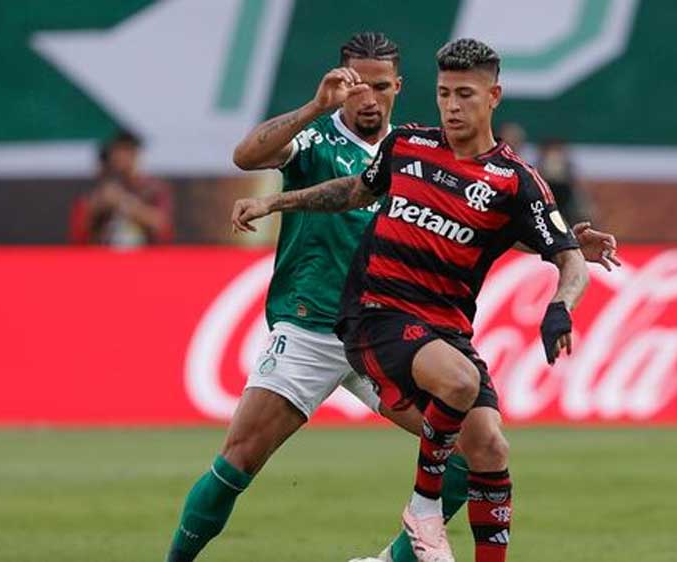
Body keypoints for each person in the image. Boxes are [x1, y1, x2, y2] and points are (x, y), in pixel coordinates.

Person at [233, 38, 613, 562]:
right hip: (375, 315)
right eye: (444, 94)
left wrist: (560, 304)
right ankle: (423, 510)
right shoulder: (408, 145)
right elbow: (352, 191)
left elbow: (566, 256)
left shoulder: (517, 183)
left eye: (465, 94)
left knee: (489, 449)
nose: (453, 106)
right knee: (459, 381)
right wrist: (276, 199)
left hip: (444, 329)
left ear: (493, 96)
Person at [71, 129, 174, 247]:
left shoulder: (154, 188)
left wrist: (122, 202)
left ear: (135, 154)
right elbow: (78, 234)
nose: (119, 158)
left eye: (125, 151)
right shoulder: (98, 190)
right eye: (115, 152)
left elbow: (162, 225)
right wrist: (96, 206)